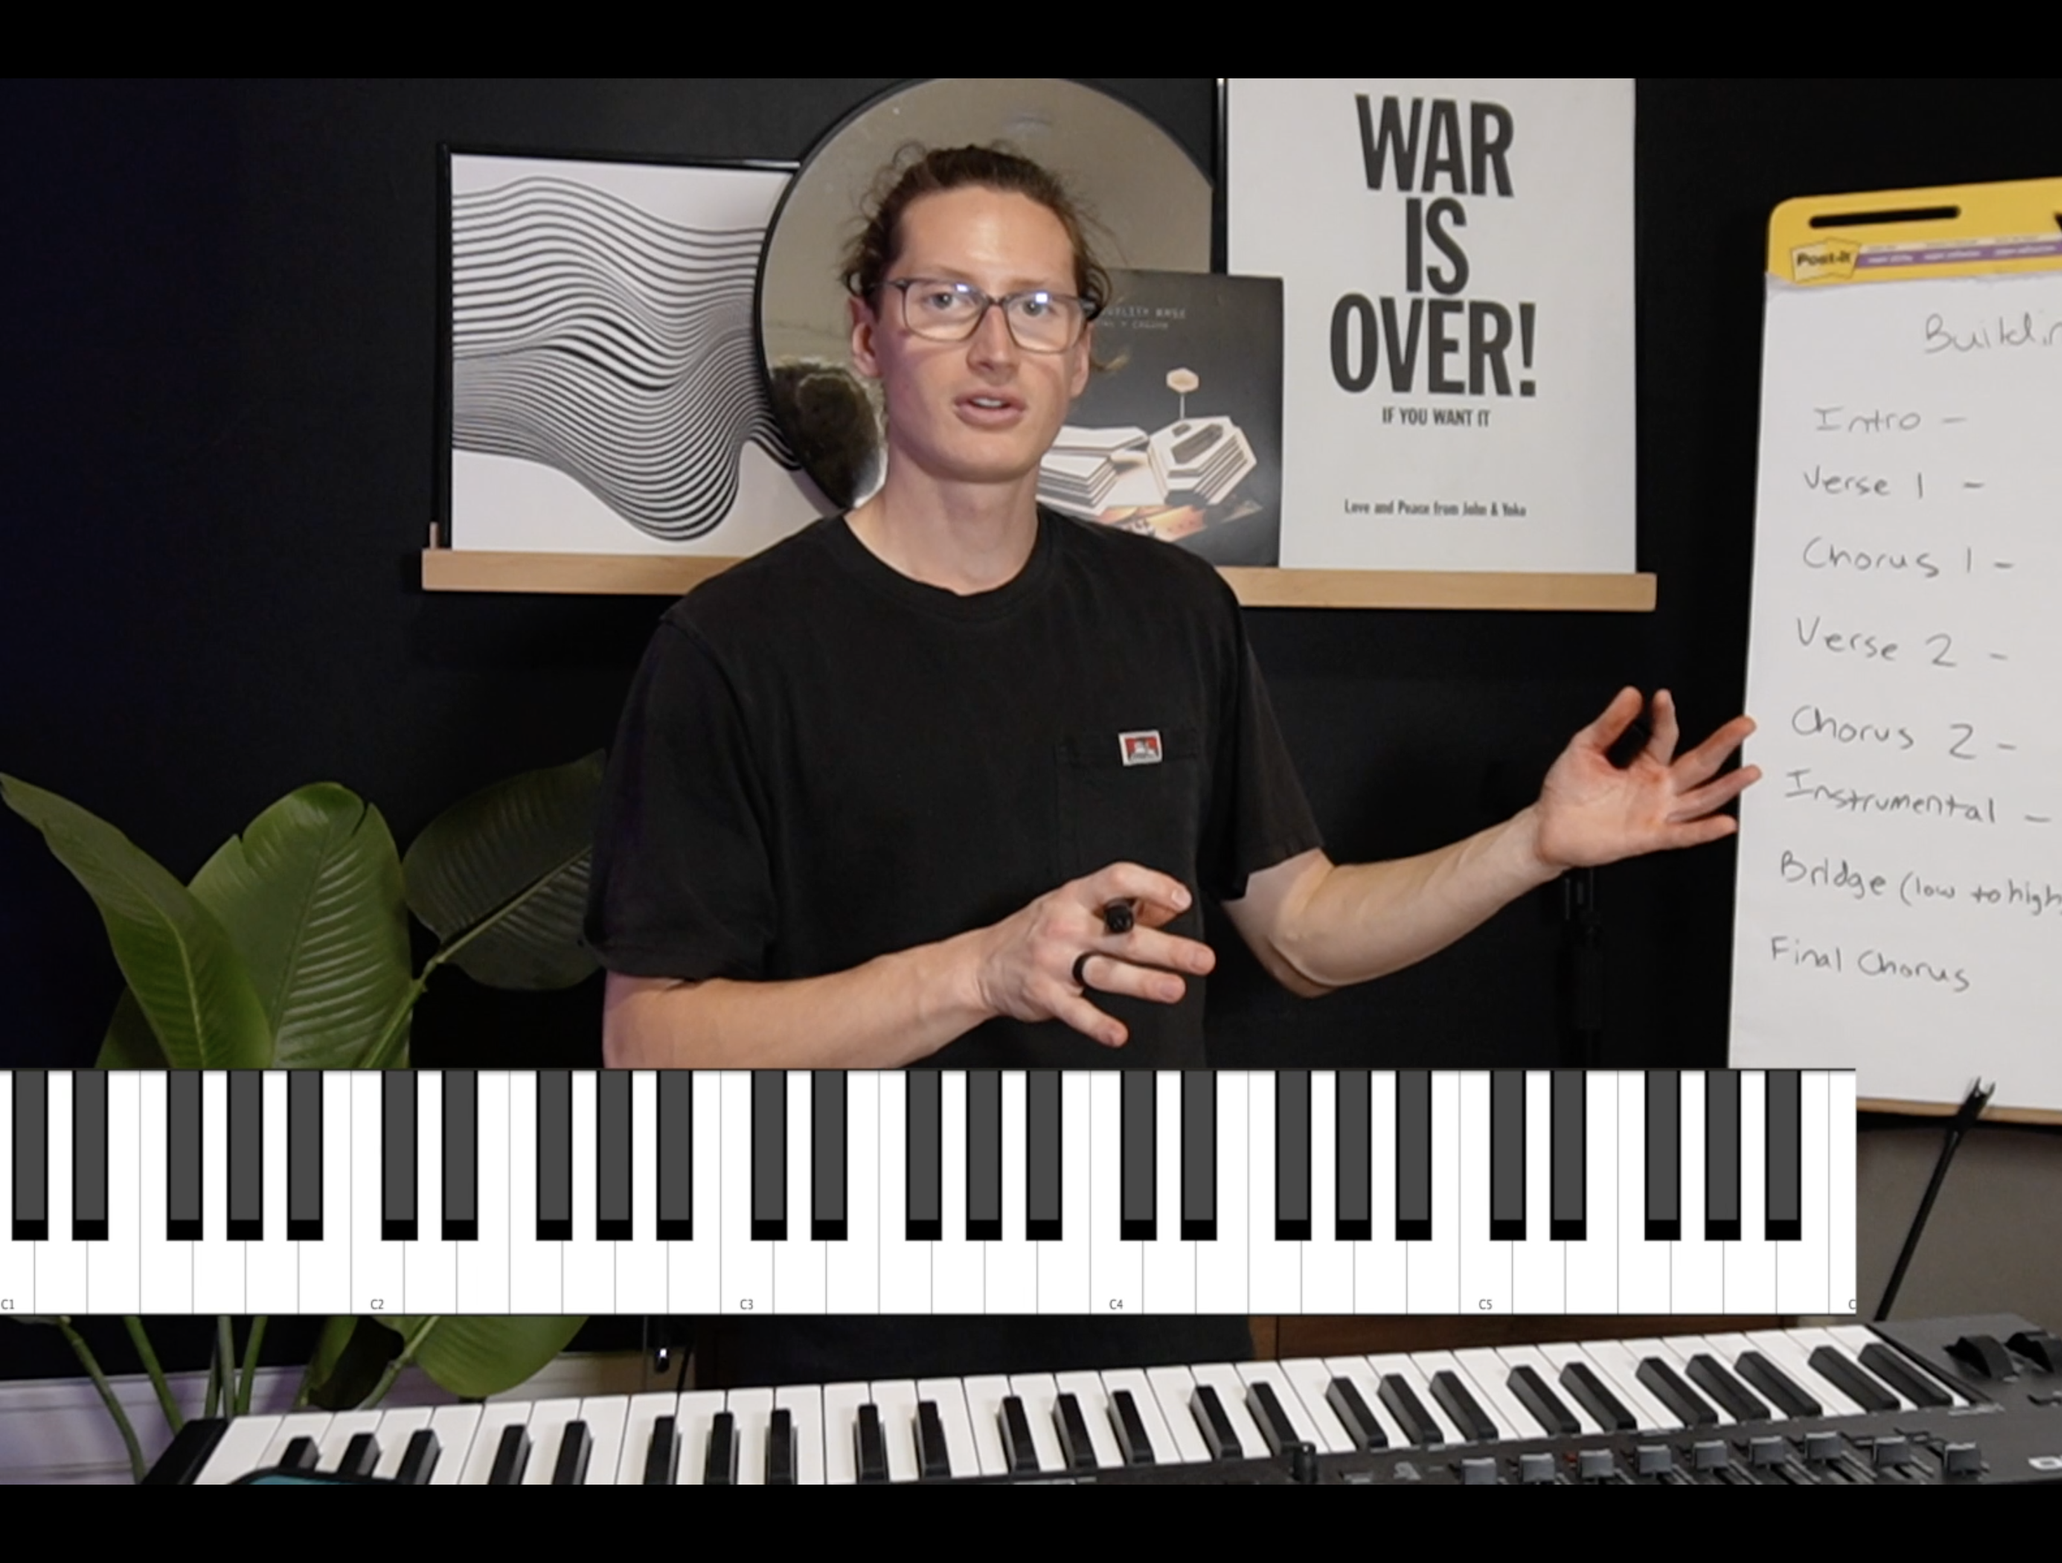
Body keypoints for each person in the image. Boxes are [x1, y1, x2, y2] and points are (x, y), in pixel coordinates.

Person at [586, 144, 1759, 1390]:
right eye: (945, 300)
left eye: (1038, 307)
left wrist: (1531, 846)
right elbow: (653, 1045)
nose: (997, 348)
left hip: (1147, 1341)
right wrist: (981, 969)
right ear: (870, 335)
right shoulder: (732, 646)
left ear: (1083, 351)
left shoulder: (1172, 607)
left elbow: (1301, 931)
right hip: (847, 1350)